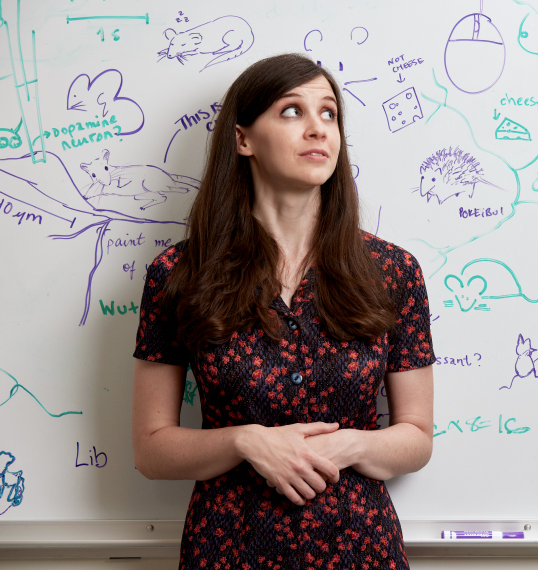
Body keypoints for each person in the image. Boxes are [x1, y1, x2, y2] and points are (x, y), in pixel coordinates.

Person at [131, 53, 435, 569]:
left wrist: (349, 446)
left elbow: (417, 438)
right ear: (243, 138)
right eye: (292, 111)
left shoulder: (392, 271)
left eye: (329, 113)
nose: (318, 128)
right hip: (227, 550)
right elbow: (151, 450)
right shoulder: (179, 273)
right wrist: (247, 442)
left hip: (360, 549)